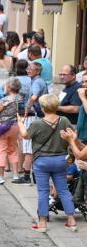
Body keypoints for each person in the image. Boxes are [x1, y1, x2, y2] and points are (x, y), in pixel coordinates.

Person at [19, 94, 78, 233]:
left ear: (43, 107)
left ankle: (43, 222)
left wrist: (20, 123)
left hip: (42, 160)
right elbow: (72, 134)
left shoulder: (37, 123)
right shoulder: (64, 120)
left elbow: (25, 136)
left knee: (43, 191)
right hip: (60, 160)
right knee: (63, 190)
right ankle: (71, 220)